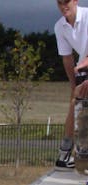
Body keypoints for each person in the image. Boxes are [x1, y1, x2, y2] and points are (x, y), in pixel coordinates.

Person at [54, 0, 88, 169]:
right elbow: (67, 58)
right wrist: (72, 86)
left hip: (85, 63)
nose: (63, 6)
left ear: (76, 1)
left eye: (66, 2)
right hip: (83, 66)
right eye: (59, 3)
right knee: (76, 102)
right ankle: (65, 154)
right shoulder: (60, 27)